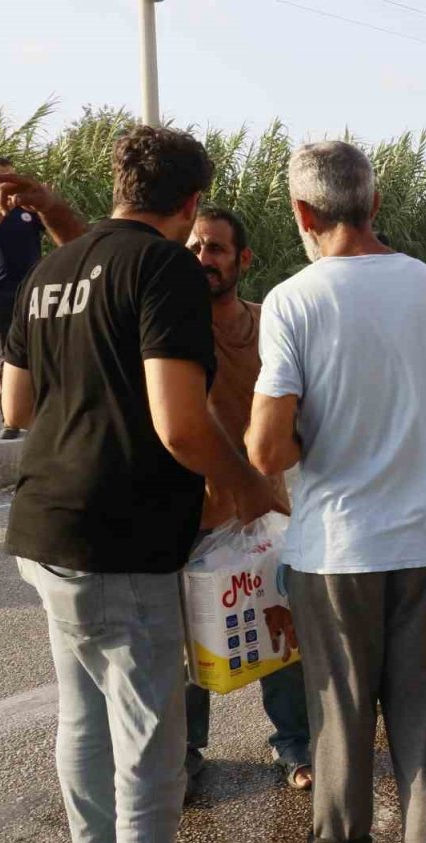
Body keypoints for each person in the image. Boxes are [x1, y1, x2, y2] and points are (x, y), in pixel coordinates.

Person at [1, 126, 284, 843]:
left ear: (120, 184)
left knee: (86, 723)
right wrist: (248, 485)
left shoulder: (51, 269)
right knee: (153, 746)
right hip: (121, 538)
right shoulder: (167, 269)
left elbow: (16, 408)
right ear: (191, 203)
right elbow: (182, 425)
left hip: (45, 530)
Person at [245, 140, 426, 843]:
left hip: (338, 553)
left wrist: (327, 435)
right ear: (375, 204)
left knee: (340, 732)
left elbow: (266, 449)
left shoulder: (293, 299)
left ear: (302, 212)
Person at [183, 206, 312, 793]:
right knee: (189, 644)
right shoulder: (170, 330)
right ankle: (185, 755)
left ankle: (296, 748)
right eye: (193, 248)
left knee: (281, 635)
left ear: (242, 260)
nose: (202, 260)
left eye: (214, 249)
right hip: (192, 517)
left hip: (267, 512)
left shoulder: (268, 325)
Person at [0, 157, 83, 438]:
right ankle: (10, 420)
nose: (4, 183)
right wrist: (2, 211)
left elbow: (61, 234)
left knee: (44, 349)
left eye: (9, 177)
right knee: (6, 353)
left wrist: (45, 206)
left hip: (33, 288)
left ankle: (46, 411)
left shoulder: (26, 209)